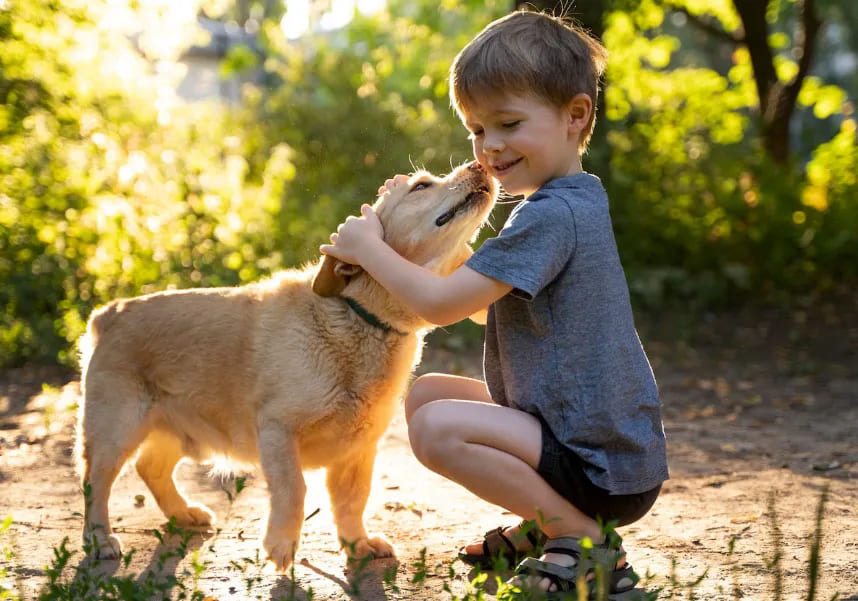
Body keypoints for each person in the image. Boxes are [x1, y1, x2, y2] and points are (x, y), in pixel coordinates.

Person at [319, 9, 668, 598]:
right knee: (428, 391)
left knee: (435, 429)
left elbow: (442, 307)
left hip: (600, 465)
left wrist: (372, 248)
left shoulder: (553, 215)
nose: (490, 147)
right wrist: (417, 222)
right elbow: (487, 304)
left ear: (575, 115)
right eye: (478, 130)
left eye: (507, 123)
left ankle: (581, 539)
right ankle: (546, 524)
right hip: (587, 436)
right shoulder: (567, 203)